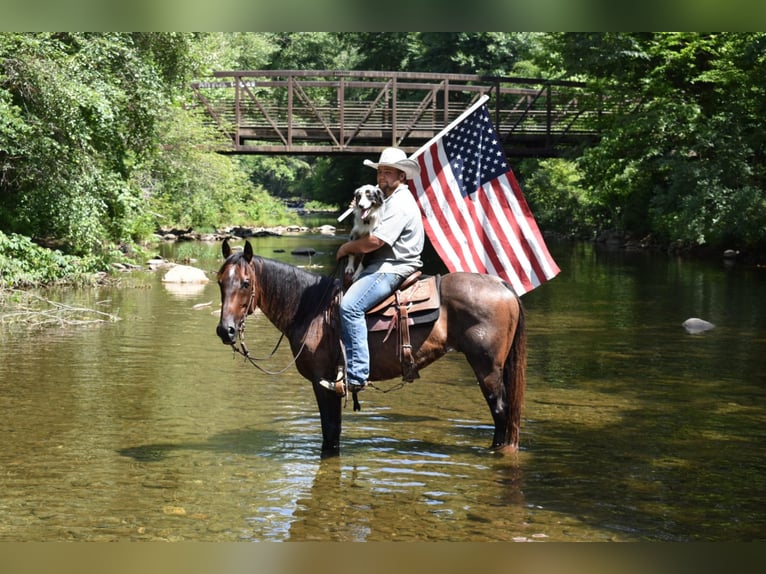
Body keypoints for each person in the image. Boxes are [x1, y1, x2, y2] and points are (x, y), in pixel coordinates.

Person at [333, 147, 424, 393]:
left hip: (392, 266)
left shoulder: (400, 203)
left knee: (350, 307)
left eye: (388, 173)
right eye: (380, 172)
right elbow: (366, 223)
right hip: (381, 263)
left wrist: (346, 248)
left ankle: (357, 374)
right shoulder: (387, 199)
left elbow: (376, 242)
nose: (382, 177)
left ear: (401, 176)